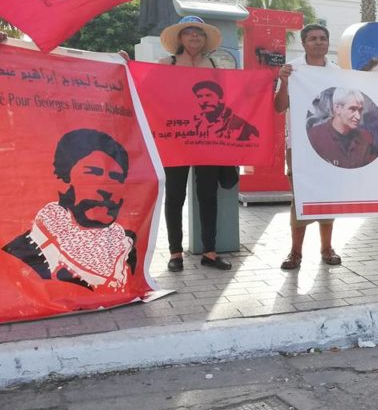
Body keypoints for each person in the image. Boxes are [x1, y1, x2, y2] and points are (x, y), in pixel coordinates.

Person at [2, 129, 136, 290]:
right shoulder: (21, 253)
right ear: (63, 180)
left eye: (116, 177)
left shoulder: (127, 252)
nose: (105, 187)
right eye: (93, 173)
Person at [156, 16, 232, 271]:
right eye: (189, 33)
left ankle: (209, 251)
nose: (194, 37)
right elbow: (150, 94)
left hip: (207, 139)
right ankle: (175, 252)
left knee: (208, 196)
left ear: (204, 39)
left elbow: (227, 99)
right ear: (180, 38)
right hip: (176, 139)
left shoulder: (214, 65)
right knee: (175, 196)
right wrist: (124, 64)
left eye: (198, 33)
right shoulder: (166, 64)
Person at [274, 23, 344, 269]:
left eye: (323, 38)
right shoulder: (292, 70)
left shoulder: (337, 72)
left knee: (328, 197)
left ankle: (327, 249)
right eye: (313, 38)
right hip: (299, 146)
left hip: (331, 146)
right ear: (304, 43)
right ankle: (295, 253)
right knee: (300, 198)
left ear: (328, 42)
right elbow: (279, 107)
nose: (318, 42)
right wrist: (283, 83)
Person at [307, 88, 378, 168]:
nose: (358, 117)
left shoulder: (366, 139)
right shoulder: (314, 137)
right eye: (352, 109)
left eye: (360, 110)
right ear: (337, 108)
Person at [191, 81, 260, 141]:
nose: (204, 101)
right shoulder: (195, 123)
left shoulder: (243, 127)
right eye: (199, 96)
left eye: (208, 95)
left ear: (221, 99)